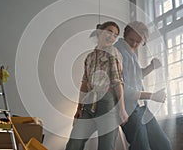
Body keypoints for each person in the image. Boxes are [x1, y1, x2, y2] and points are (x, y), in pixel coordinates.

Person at [65, 21, 129, 150]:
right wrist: (79, 108)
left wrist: (122, 109)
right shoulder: (89, 57)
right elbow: (84, 84)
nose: (112, 37)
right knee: (73, 144)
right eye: (109, 32)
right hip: (88, 105)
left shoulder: (113, 52)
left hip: (108, 105)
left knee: (106, 147)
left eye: (115, 35)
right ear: (100, 32)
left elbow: (118, 82)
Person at [114, 21, 173, 150]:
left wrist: (151, 67)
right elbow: (122, 88)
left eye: (138, 42)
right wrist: (151, 96)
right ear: (125, 34)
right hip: (129, 110)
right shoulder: (117, 52)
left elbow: (136, 76)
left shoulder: (130, 52)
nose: (134, 44)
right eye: (131, 39)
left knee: (164, 145)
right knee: (141, 147)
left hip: (141, 108)